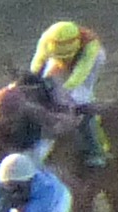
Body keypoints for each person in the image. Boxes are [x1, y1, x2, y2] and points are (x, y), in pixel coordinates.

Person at [30, 20, 109, 169]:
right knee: (45, 89)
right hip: (56, 57)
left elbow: (78, 77)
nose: (65, 61)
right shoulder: (46, 40)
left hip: (87, 63)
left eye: (67, 57)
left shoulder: (91, 47)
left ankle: (95, 151)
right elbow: (36, 65)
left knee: (79, 100)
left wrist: (63, 94)